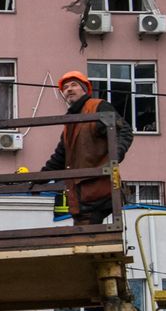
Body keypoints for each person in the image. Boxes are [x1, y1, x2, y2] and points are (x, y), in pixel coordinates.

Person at [41, 71, 133, 226]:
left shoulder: (98, 107)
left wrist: (114, 157)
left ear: (85, 89)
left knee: (87, 235)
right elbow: (59, 157)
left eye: (74, 85)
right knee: (85, 235)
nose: (69, 89)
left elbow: (123, 131)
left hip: (98, 190)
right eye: (65, 87)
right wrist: (38, 179)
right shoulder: (70, 122)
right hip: (82, 195)